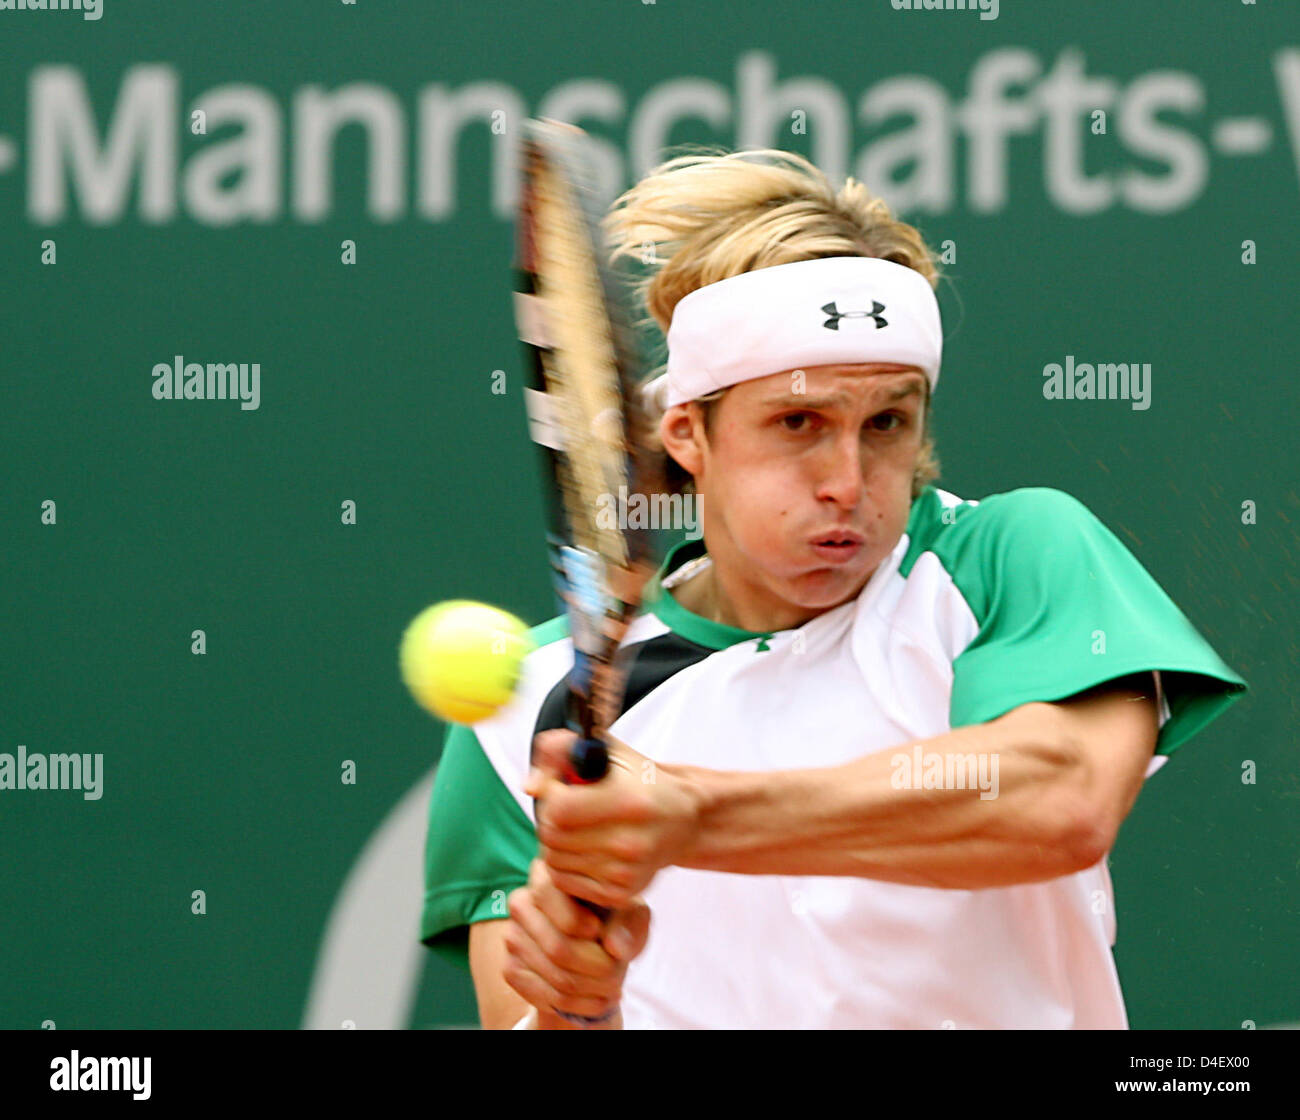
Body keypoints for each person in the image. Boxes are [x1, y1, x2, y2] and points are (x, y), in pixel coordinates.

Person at [419, 147, 1248, 1030]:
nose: (847, 482)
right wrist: (576, 1008)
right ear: (690, 432)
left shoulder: (1009, 555)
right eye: (798, 422)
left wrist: (689, 813)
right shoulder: (532, 707)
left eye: (886, 421)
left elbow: (1065, 800)